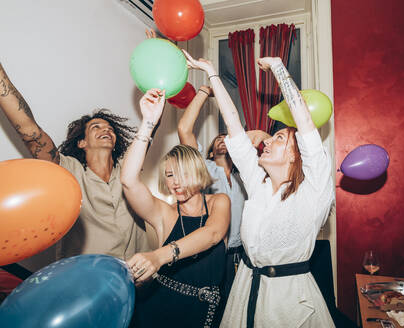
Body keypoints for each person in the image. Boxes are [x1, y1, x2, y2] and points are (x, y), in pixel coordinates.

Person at [184, 51, 336, 327]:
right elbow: (232, 124)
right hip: (245, 289)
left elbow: (304, 122)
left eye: (278, 138)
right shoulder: (258, 184)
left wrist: (279, 69)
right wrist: (211, 72)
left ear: (296, 153)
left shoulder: (313, 191)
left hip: (289, 300)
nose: (266, 141)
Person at [0, 62, 150, 260]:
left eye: (110, 129)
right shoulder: (68, 172)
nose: (107, 130)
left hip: (140, 281)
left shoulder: (128, 168)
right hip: (88, 282)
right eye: (96, 127)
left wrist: (153, 81)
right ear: (81, 142)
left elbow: (150, 129)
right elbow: (30, 132)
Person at [121, 88, 231, 328]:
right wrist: (148, 124)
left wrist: (158, 256)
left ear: (199, 173)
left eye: (182, 173)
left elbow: (212, 234)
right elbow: (129, 180)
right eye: (170, 175)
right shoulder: (165, 213)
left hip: (207, 313)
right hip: (160, 309)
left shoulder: (219, 202)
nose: (175, 182)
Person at [177, 85, 256, 302]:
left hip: (242, 254)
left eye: (228, 138)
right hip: (211, 250)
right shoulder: (205, 168)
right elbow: (184, 129)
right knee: (211, 309)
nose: (224, 139)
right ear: (211, 151)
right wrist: (203, 92)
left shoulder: (247, 177)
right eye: (219, 139)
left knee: (239, 309)